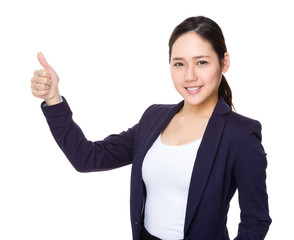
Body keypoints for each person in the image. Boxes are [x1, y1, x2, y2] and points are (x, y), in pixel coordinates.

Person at [30, 16, 271, 240]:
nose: (190, 76)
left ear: (224, 62)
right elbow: (87, 158)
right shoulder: (154, 118)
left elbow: (255, 220)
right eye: (179, 64)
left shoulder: (240, 135)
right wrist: (54, 100)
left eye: (202, 62)